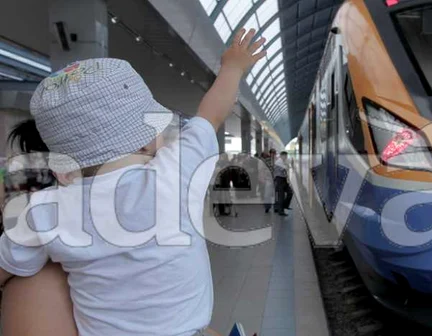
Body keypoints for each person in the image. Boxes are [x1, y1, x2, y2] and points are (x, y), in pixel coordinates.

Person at [0, 27, 266, 336]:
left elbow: (6, 266)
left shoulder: (44, 210)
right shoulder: (172, 174)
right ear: (144, 142)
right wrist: (233, 67)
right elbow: (212, 112)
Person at [274, 151, 293, 216]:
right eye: (285, 156)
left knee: (290, 193)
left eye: (286, 156)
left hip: (284, 179)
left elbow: (288, 167)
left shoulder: (283, 161)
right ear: (282, 155)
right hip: (279, 179)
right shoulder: (278, 162)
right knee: (281, 196)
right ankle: (281, 211)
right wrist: (287, 165)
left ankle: (285, 205)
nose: (286, 157)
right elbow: (286, 168)